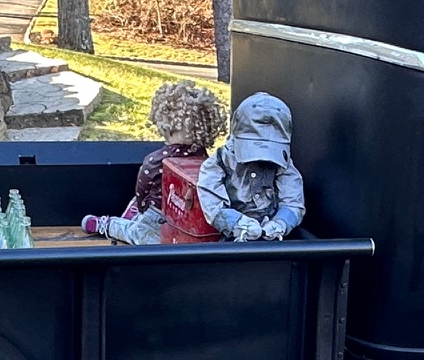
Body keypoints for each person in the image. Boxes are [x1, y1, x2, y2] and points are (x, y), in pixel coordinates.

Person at [82, 80, 227, 244]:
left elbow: (142, 187)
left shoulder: (156, 160)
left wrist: (142, 204)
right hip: (159, 215)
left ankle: (135, 212)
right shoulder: (206, 159)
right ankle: (109, 225)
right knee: (141, 236)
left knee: (155, 239)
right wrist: (143, 207)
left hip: (175, 216)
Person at [197, 92, 304, 242]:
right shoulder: (222, 160)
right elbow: (211, 199)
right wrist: (236, 222)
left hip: (273, 236)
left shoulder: (283, 165)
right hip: (234, 236)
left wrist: (281, 222)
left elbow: (293, 200)